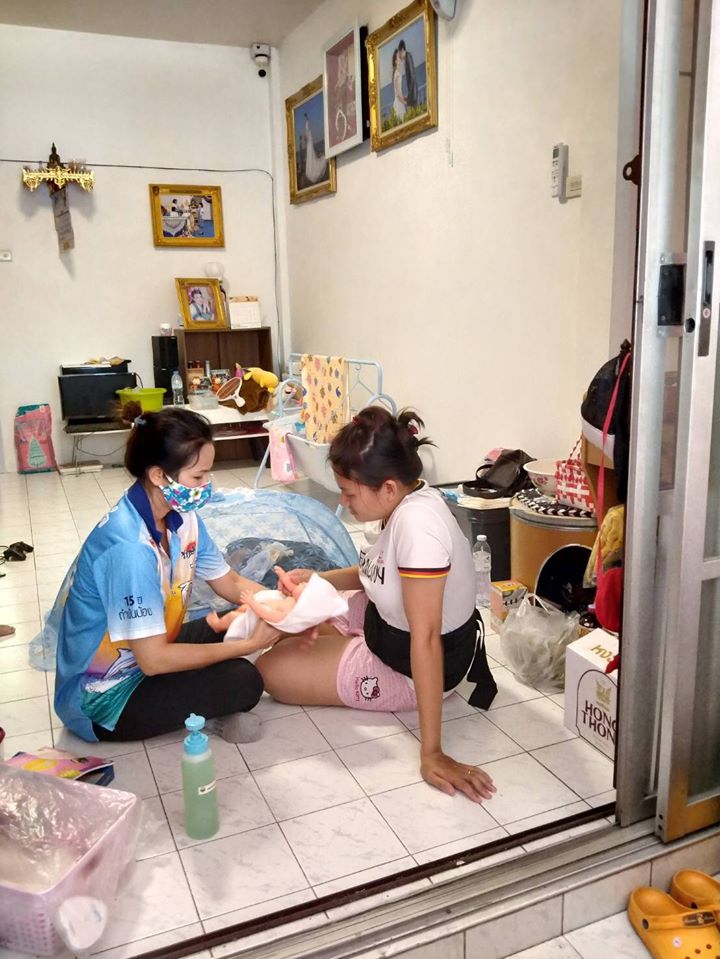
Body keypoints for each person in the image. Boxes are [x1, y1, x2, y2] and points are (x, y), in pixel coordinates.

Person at [256, 408, 498, 804]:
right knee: (287, 616)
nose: (344, 501)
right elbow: (378, 572)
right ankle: (336, 647)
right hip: (382, 624)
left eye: (349, 493)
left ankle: (350, 658)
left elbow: (426, 639)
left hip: (408, 665)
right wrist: (320, 579)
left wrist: (432, 753)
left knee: (271, 669)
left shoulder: (419, 528)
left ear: (387, 487)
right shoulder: (403, 500)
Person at [53, 407, 282, 744]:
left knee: (231, 622)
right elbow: (153, 660)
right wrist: (248, 646)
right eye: (198, 477)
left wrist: (280, 602)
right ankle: (205, 711)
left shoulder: (182, 517)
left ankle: (197, 701)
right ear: (159, 475)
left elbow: (230, 583)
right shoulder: (129, 548)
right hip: (104, 696)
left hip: (146, 649)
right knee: (244, 679)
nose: (207, 486)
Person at [207, 566, 307, 632]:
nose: (303, 584)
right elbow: (292, 587)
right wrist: (283, 576)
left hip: (258, 620)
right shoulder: (297, 597)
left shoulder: (289, 614)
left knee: (233, 616)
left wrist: (251, 602)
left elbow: (267, 614)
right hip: (259, 608)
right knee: (243, 608)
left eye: (304, 586)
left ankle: (218, 625)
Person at [303, 113, 328, 185]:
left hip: (311, 149)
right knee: (312, 158)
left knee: (313, 158)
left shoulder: (309, 142)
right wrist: (307, 120)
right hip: (310, 149)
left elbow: (307, 132)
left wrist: (307, 120)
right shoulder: (309, 142)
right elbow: (307, 132)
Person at [398, 40, 418, 108]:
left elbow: (412, 77)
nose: (399, 56)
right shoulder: (407, 57)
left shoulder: (408, 57)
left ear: (402, 50)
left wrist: (409, 96)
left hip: (413, 94)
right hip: (412, 93)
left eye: (400, 53)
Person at [392, 49, 407, 121]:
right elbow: (398, 94)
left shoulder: (395, 73)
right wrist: (405, 102)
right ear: (395, 61)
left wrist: (404, 97)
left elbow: (398, 92)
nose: (400, 57)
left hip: (397, 103)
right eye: (398, 56)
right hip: (399, 105)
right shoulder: (397, 74)